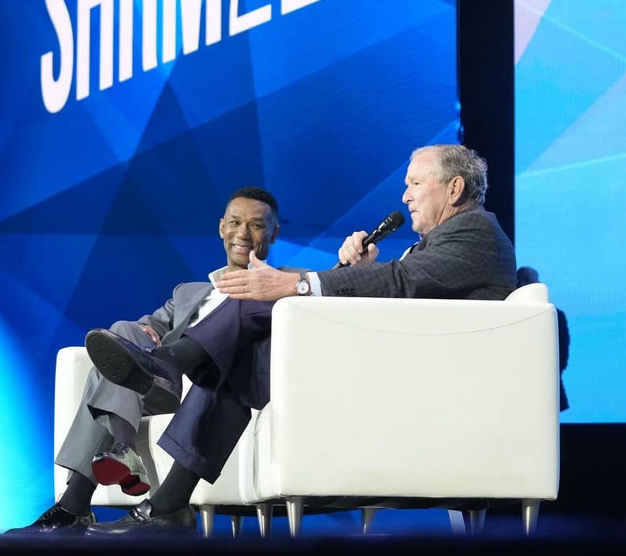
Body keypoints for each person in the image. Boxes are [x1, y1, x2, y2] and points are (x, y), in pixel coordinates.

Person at [82, 145, 517, 534]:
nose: (404, 196)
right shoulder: (445, 240)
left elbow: (401, 283)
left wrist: (301, 286)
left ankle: (168, 362)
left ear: (455, 187)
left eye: (415, 184)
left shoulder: (474, 232)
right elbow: (400, 290)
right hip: (390, 364)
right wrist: (355, 271)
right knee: (239, 352)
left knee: (258, 298)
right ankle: (169, 506)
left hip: (414, 381)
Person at [11, 187, 284, 535]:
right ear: (221, 228)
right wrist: (143, 329)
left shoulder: (281, 288)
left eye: (257, 226)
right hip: (161, 387)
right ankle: (119, 449)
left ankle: (74, 505)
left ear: (274, 232)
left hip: (218, 386)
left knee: (128, 360)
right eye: (235, 222)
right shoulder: (188, 293)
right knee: (125, 331)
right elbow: (146, 330)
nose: (243, 234)